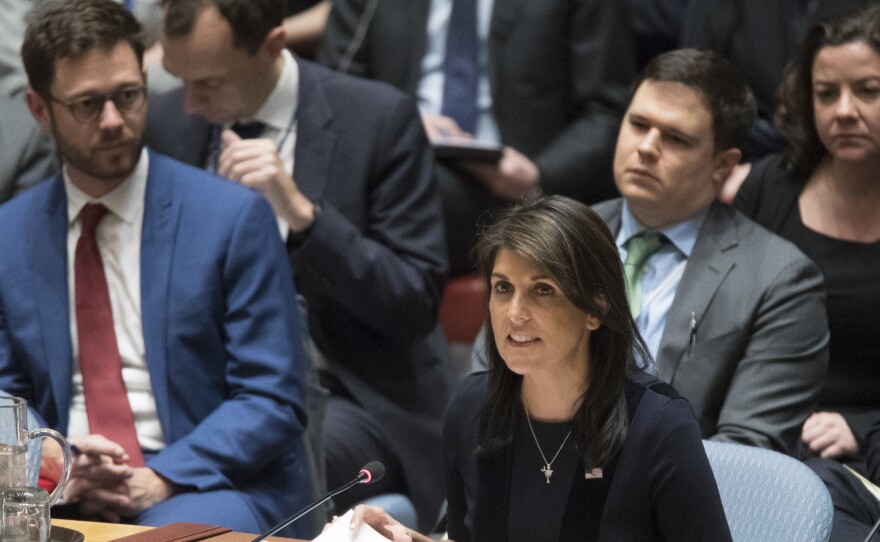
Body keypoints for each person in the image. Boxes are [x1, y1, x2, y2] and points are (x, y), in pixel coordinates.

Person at [0, 0, 312, 536]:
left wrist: (159, 475)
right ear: (39, 110)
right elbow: (6, 396)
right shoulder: (10, 234)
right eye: (87, 104)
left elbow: (271, 398)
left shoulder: (231, 217)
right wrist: (57, 468)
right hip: (59, 487)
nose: (115, 120)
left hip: (205, 483)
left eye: (128, 95)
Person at [148, 0, 452, 531]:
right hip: (203, 390)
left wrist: (305, 217)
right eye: (179, 78)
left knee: (266, 462)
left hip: (344, 392)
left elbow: (414, 301)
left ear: (274, 45)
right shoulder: (168, 124)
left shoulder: (377, 118)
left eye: (211, 84)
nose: (190, 104)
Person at [472, 49, 830, 454]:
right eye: (638, 124)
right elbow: (484, 397)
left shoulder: (779, 279)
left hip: (673, 504)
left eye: (676, 138)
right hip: (534, 480)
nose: (646, 147)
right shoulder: (549, 238)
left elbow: (747, 455)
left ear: (723, 165)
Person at [340, 196, 732, 541]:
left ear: (595, 309)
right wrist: (397, 537)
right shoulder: (472, 409)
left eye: (543, 290)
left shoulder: (658, 427)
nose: (515, 314)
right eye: (503, 288)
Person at [318, 0, 635, 275]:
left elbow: (608, 111)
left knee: (386, 202)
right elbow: (336, 88)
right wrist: (402, 120)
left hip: (513, 190)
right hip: (397, 157)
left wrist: (541, 175)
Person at [734, 5, 880, 475]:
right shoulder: (766, 186)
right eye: (825, 93)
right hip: (759, 432)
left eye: (868, 92)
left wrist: (865, 425)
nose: (843, 111)